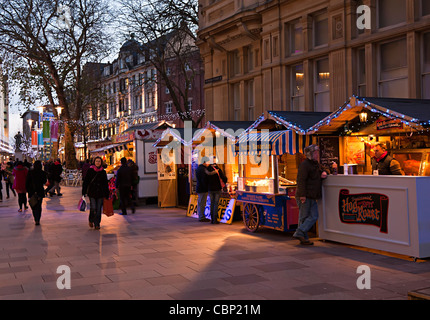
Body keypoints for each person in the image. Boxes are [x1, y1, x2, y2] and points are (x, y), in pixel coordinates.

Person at [293, 144, 329, 245]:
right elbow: (300, 180)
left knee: (313, 216)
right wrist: (302, 195)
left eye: (317, 152)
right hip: (304, 195)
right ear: (310, 154)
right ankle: (303, 238)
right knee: (304, 217)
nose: (317, 154)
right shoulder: (305, 165)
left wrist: (325, 172)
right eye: (315, 152)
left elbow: (324, 169)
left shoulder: (315, 164)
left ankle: (300, 233)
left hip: (312, 195)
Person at [82, 156, 109, 230]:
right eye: (96, 161)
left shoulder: (103, 172)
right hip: (92, 192)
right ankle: (91, 220)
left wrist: (107, 193)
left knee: (98, 209)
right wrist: (84, 192)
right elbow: (86, 182)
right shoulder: (90, 170)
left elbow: (105, 183)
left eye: (99, 161)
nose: (98, 163)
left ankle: (97, 223)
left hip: (100, 192)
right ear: (94, 162)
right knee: (93, 207)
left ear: (101, 163)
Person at [207, 156, 227, 224]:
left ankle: (212, 219)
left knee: (212, 203)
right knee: (216, 204)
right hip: (217, 188)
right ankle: (215, 219)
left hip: (210, 188)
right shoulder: (218, 169)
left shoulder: (207, 169)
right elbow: (223, 178)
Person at [26, 161, 47, 225]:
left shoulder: (30, 172)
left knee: (33, 205)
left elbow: (27, 182)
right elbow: (44, 181)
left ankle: (36, 218)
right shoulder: (42, 173)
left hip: (31, 191)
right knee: (39, 205)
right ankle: (38, 219)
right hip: (39, 191)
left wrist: (28, 190)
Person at [195, 157, 212, 222]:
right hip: (202, 188)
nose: (208, 164)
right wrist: (206, 187)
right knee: (202, 203)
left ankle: (201, 216)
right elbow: (203, 179)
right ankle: (201, 217)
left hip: (200, 187)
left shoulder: (199, 168)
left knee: (201, 202)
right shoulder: (203, 169)